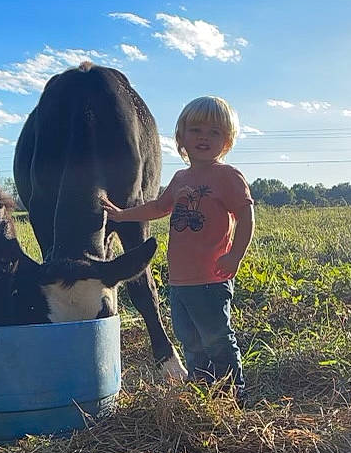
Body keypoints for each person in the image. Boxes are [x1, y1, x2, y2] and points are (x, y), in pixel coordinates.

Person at [101, 96, 254, 392]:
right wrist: (122, 215)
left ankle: (233, 394)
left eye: (215, 132)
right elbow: (159, 207)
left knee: (217, 339)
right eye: (196, 130)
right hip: (180, 281)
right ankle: (203, 390)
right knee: (190, 340)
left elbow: (246, 216)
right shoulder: (181, 177)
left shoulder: (228, 176)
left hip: (211, 278)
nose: (204, 137)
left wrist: (235, 255)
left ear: (227, 140)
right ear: (181, 137)